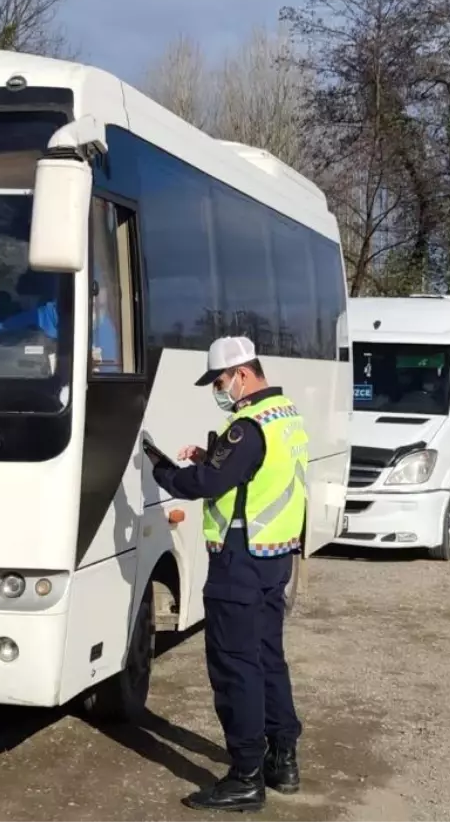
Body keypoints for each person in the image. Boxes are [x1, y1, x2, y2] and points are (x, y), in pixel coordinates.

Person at [151, 335, 307, 813]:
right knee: (266, 659)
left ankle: (244, 776)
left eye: (220, 381)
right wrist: (211, 455)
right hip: (273, 556)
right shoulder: (285, 416)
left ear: (242, 374)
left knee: (235, 667)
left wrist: (163, 468)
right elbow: (253, 476)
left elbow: (207, 484)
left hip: (238, 561)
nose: (219, 390)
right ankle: (283, 759)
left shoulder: (247, 427)